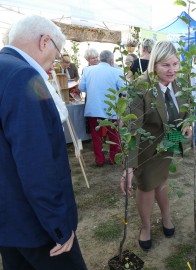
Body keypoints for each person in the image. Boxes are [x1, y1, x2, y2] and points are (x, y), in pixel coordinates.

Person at [0, 14, 87, 269]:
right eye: (57, 52)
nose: (56, 61)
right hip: (36, 225)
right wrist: (59, 225)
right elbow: (36, 163)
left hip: (8, 220)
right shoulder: (23, 76)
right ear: (44, 41)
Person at [120, 41, 192, 251]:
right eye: (165, 65)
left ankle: (166, 217)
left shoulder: (179, 83)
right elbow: (132, 131)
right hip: (146, 148)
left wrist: (186, 123)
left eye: (175, 64)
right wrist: (129, 167)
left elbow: (185, 109)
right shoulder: (140, 87)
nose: (172, 70)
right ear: (154, 65)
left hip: (169, 142)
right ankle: (146, 228)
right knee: (147, 185)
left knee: (163, 178)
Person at [79, 50, 124, 166]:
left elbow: (82, 88)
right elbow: (124, 90)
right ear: (111, 60)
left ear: (100, 58)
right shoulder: (116, 72)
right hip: (111, 108)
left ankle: (99, 159)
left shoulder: (87, 70)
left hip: (93, 108)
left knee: (96, 136)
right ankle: (114, 158)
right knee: (113, 134)